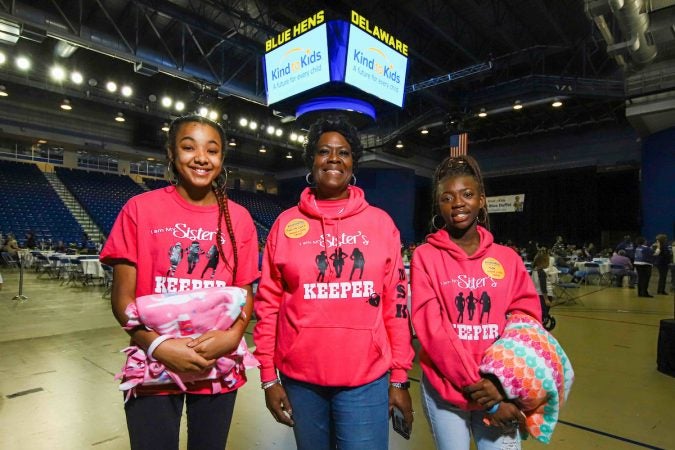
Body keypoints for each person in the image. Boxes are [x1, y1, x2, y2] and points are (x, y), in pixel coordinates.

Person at [253, 115, 414, 450]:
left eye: (343, 152)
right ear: (312, 159)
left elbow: (396, 307)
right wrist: (269, 377)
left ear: (353, 161)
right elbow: (268, 307)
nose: (334, 158)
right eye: (324, 151)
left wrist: (399, 377)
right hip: (301, 382)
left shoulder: (380, 224)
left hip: (366, 381)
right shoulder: (285, 225)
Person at [99, 114, 259, 450]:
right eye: (189, 147)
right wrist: (159, 347)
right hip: (153, 362)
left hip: (217, 362)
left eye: (212, 150)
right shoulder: (139, 209)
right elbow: (123, 301)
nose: (202, 157)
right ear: (171, 153)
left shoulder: (240, 218)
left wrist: (231, 339)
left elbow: (245, 296)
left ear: (222, 159)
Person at [410, 155, 542, 450]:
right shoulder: (425, 257)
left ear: (482, 200)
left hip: (499, 388)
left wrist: (500, 384)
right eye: (447, 197)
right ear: (439, 206)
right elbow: (432, 330)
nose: (458, 203)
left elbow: (526, 323)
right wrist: (479, 388)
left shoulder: (506, 258)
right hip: (447, 390)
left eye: (467, 194)